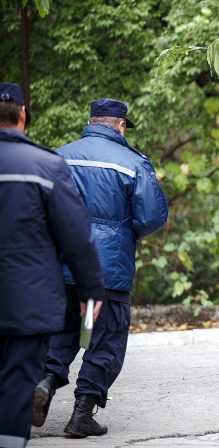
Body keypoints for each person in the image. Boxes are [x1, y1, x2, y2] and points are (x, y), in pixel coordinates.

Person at [32, 98, 168, 437]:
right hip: (108, 268)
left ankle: (46, 381)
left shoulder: (57, 156)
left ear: (92, 121)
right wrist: (126, 231)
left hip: (61, 267)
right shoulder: (133, 163)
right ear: (120, 126)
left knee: (66, 329)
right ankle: (81, 414)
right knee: (104, 336)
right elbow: (152, 216)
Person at [0, 82, 105, 448]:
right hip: (25, 305)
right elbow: (76, 237)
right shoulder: (46, 166)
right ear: (23, 115)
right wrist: (91, 292)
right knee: (15, 385)